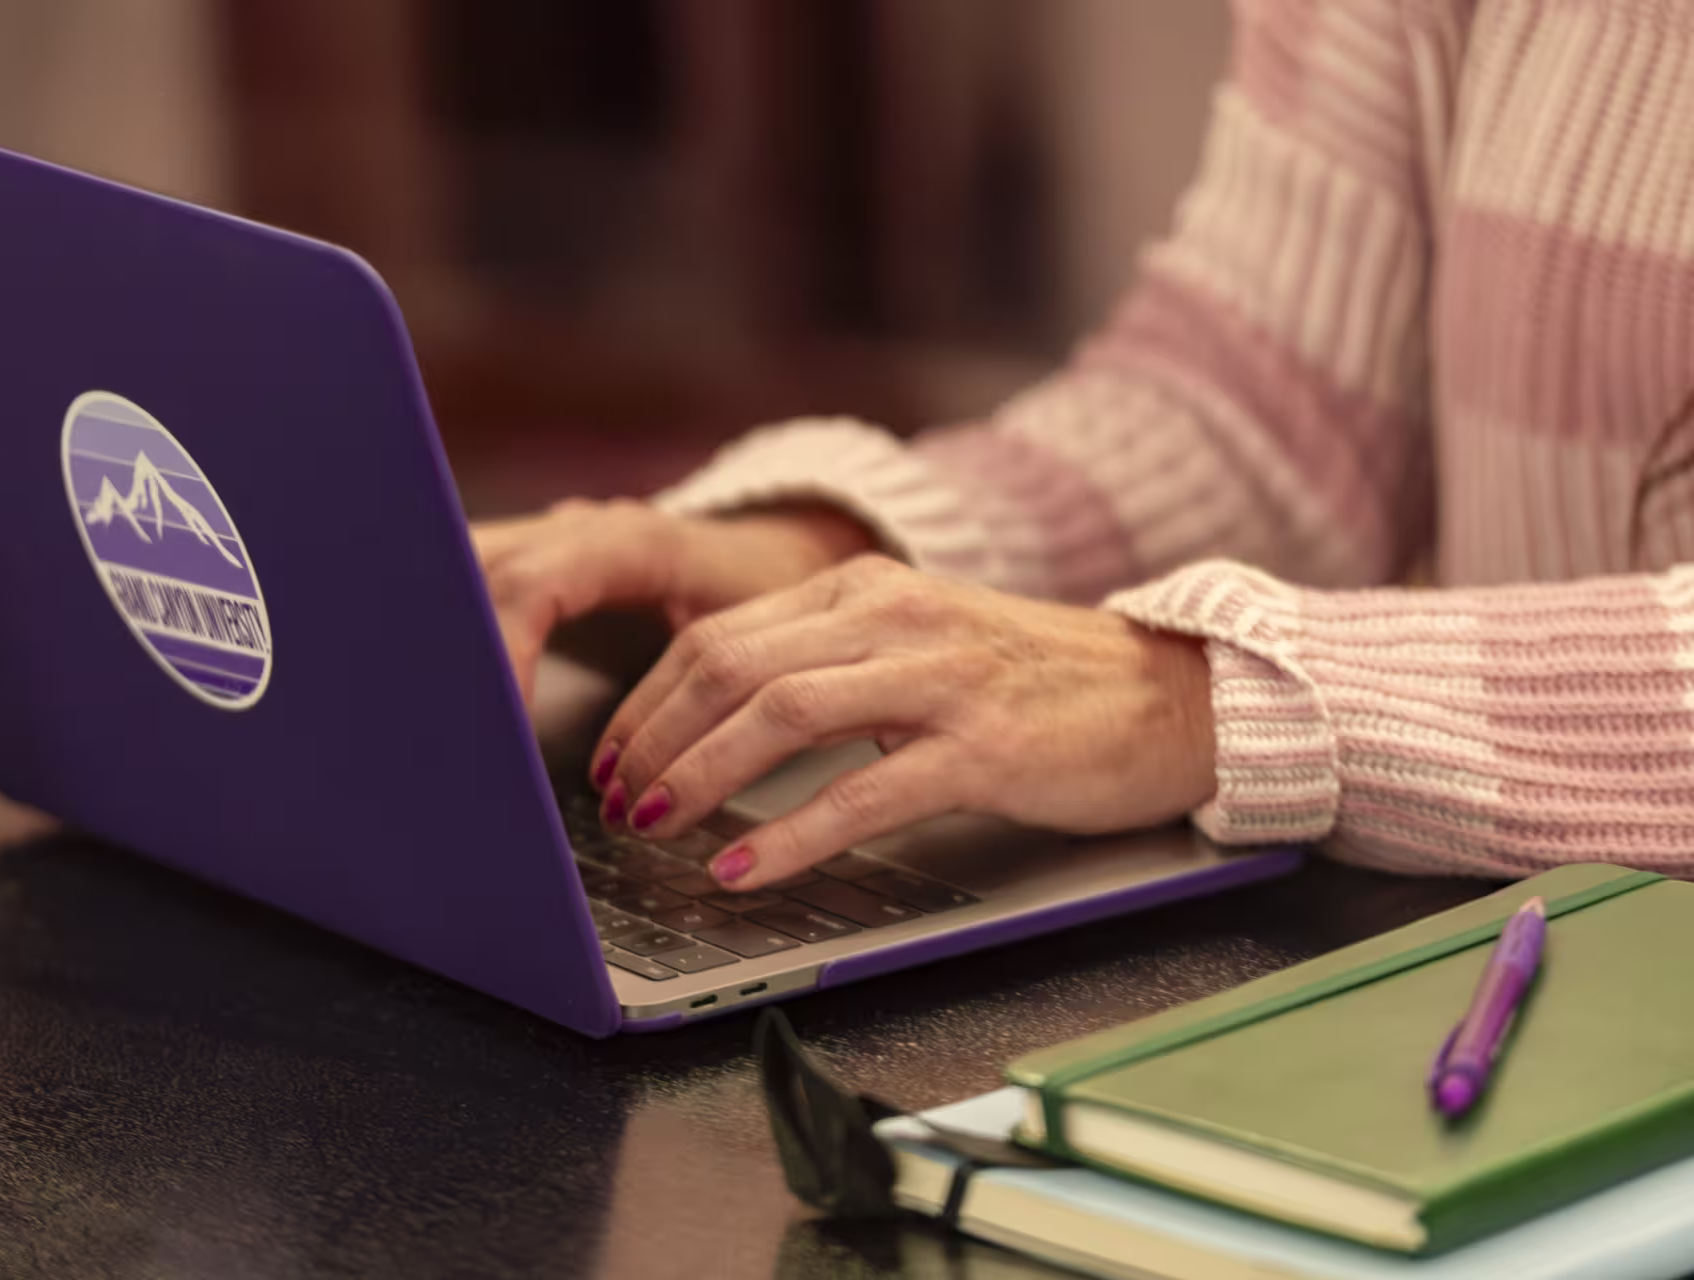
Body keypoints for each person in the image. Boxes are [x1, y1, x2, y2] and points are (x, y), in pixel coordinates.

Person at [475, 0, 1694, 893]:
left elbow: (1201, 679)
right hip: (1517, 957)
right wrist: (832, 553)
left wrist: (1196, 694)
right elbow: (1266, 407)